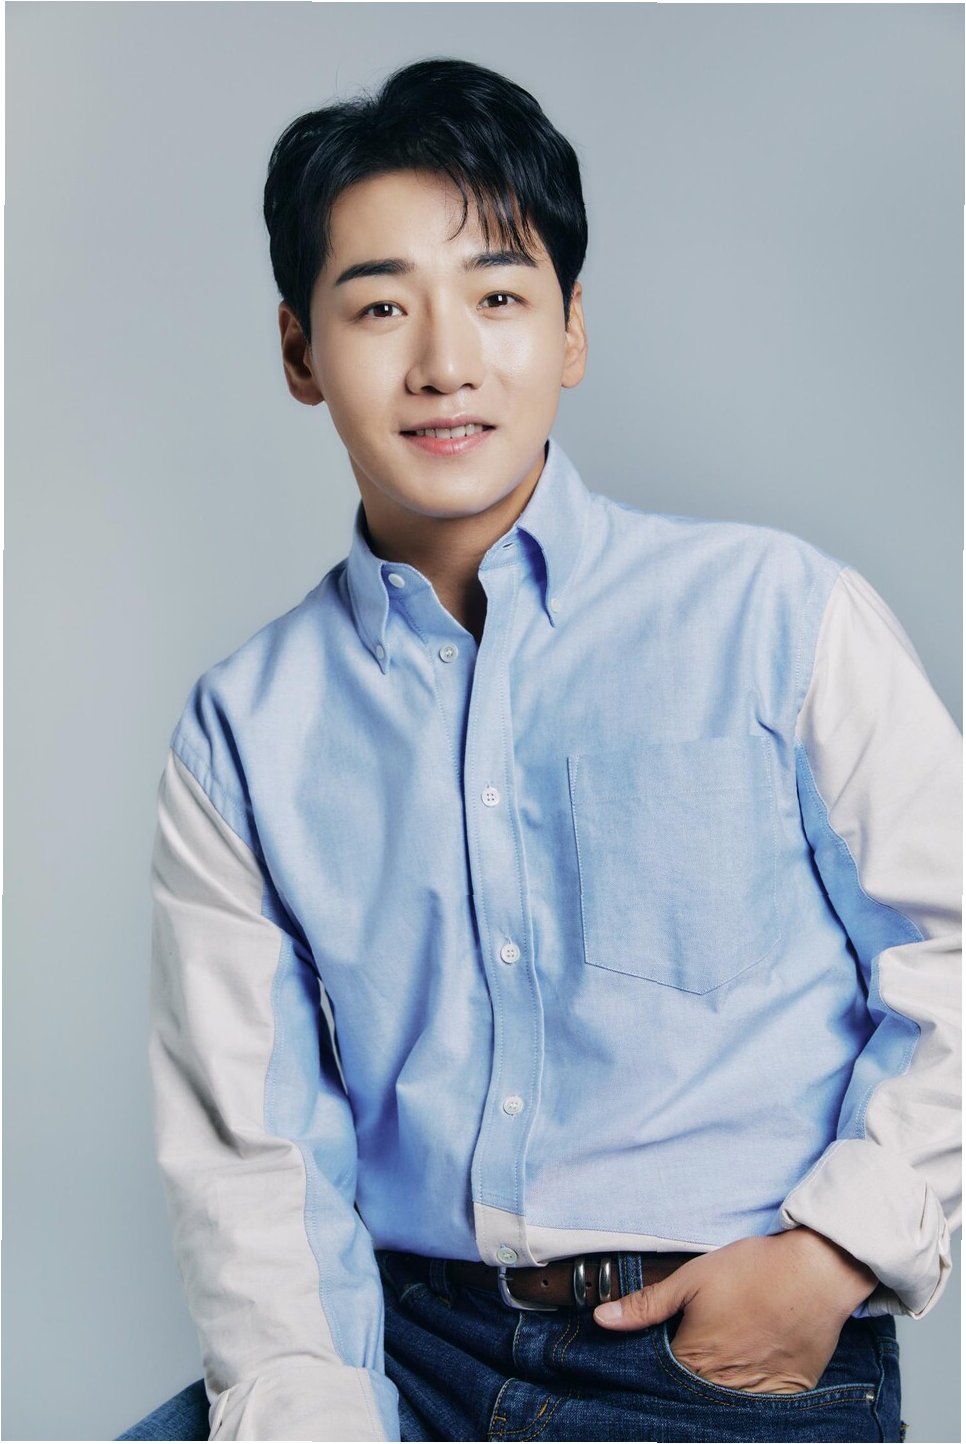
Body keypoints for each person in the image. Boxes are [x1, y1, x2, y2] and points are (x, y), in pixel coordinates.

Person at [119, 56, 960, 1444]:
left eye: (498, 297)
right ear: (298, 352)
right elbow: (253, 1157)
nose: (443, 361)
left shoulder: (775, 619)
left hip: (718, 1359)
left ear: (571, 328)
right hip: (407, 1351)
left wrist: (832, 1254)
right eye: (380, 306)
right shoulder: (246, 732)